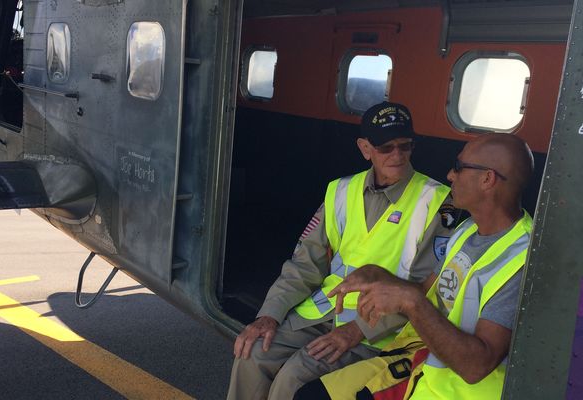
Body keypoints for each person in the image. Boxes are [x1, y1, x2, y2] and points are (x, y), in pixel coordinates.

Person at [226, 102, 458, 400]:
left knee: (293, 378)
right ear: (365, 148)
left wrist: (357, 330)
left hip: (380, 329)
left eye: (405, 146)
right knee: (253, 354)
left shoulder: (438, 202)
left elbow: (428, 289)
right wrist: (269, 315)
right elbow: (304, 265)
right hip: (320, 313)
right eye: (386, 147)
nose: (398, 155)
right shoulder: (340, 190)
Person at [295, 133, 534, 400]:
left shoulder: (521, 258)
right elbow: (425, 289)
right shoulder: (467, 231)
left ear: (487, 179)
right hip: (419, 357)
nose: (450, 175)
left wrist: (411, 302)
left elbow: (476, 366)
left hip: (452, 388)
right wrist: (379, 276)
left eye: (458, 166)